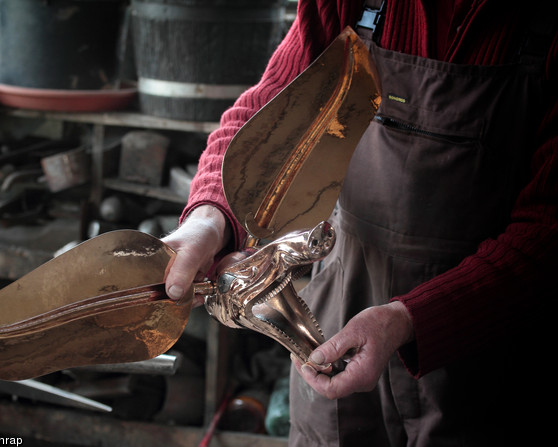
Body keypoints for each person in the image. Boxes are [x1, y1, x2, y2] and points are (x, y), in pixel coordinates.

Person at [162, 0, 558, 445]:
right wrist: (209, 216)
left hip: (479, 346)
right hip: (335, 321)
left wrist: (409, 320)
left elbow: (548, 232)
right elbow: (270, 113)